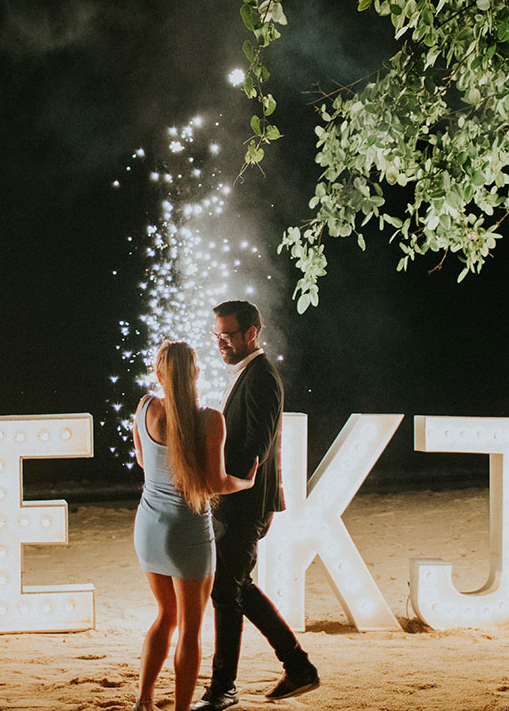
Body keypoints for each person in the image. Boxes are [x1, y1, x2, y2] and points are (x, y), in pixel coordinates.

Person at [194, 300, 319, 710]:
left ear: (252, 332)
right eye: (217, 336)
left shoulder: (262, 377)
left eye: (227, 335)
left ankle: (224, 689)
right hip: (236, 502)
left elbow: (255, 449)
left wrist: (221, 484)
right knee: (236, 589)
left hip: (244, 504)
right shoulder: (248, 373)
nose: (220, 343)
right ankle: (298, 667)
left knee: (226, 594)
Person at [132, 340, 258, 711]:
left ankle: (143, 701)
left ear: (159, 374)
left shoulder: (143, 408)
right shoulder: (209, 419)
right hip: (188, 534)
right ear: (196, 374)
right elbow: (216, 484)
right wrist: (245, 482)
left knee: (164, 616)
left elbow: (143, 460)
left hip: (149, 527)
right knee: (190, 628)